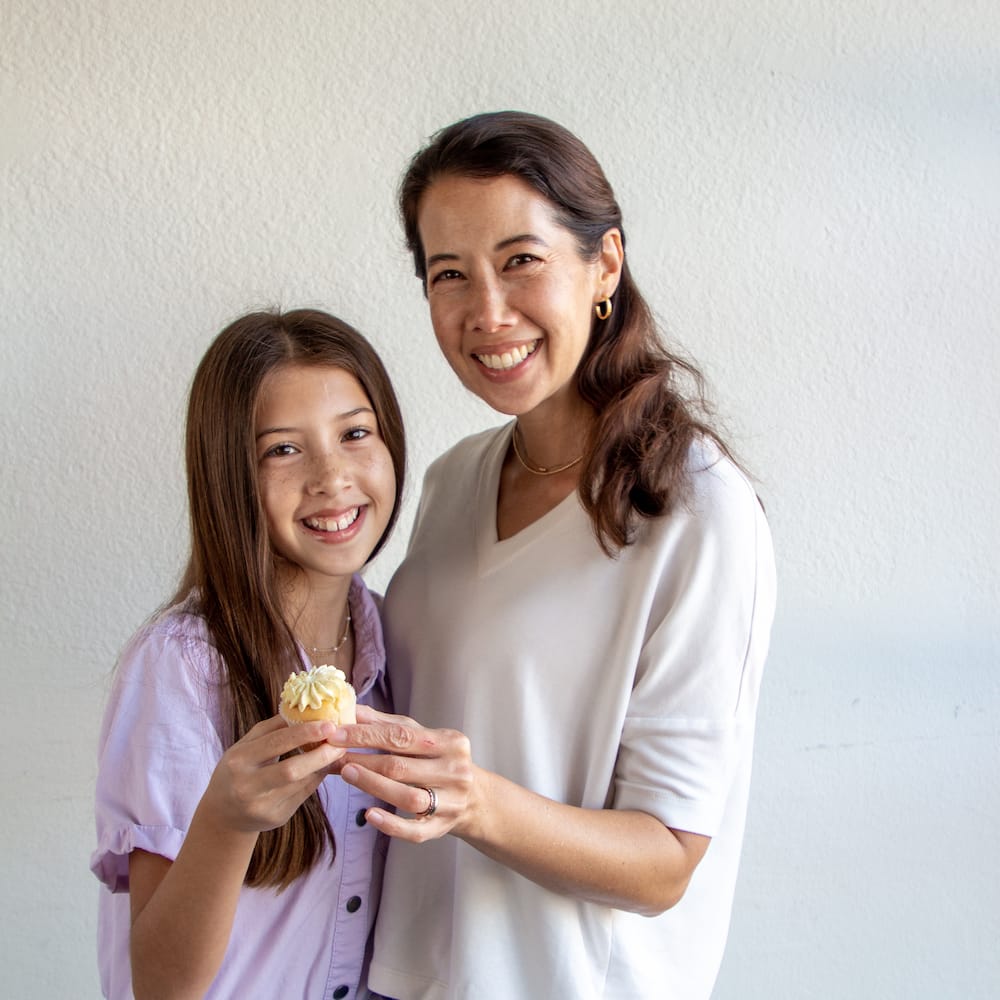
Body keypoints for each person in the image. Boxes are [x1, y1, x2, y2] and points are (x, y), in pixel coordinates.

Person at [333, 111, 777, 999]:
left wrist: (476, 802)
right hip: (405, 976)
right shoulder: (454, 482)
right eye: (449, 274)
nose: (487, 311)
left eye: (521, 260)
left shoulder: (696, 510)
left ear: (604, 263)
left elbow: (666, 862)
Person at [91, 308, 405, 999]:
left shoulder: (397, 648)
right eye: (283, 450)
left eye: (355, 433)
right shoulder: (180, 669)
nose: (332, 476)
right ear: (229, 475)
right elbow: (161, 986)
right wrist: (226, 822)